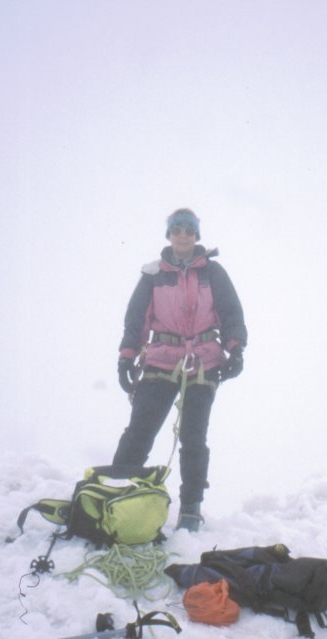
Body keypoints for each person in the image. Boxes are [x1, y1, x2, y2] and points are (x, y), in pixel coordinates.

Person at [112, 208, 247, 531]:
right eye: (177, 228)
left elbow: (231, 313)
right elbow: (136, 321)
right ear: (169, 234)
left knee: (193, 437)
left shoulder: (213, 274)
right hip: (160, 359)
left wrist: (236, 350)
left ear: (196, 234)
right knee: (140, 431)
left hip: (203, 362)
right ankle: (114, 495)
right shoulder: (153, 274)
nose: (183, 234)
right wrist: (126, 358)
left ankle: (190, 509)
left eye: (189, 229)